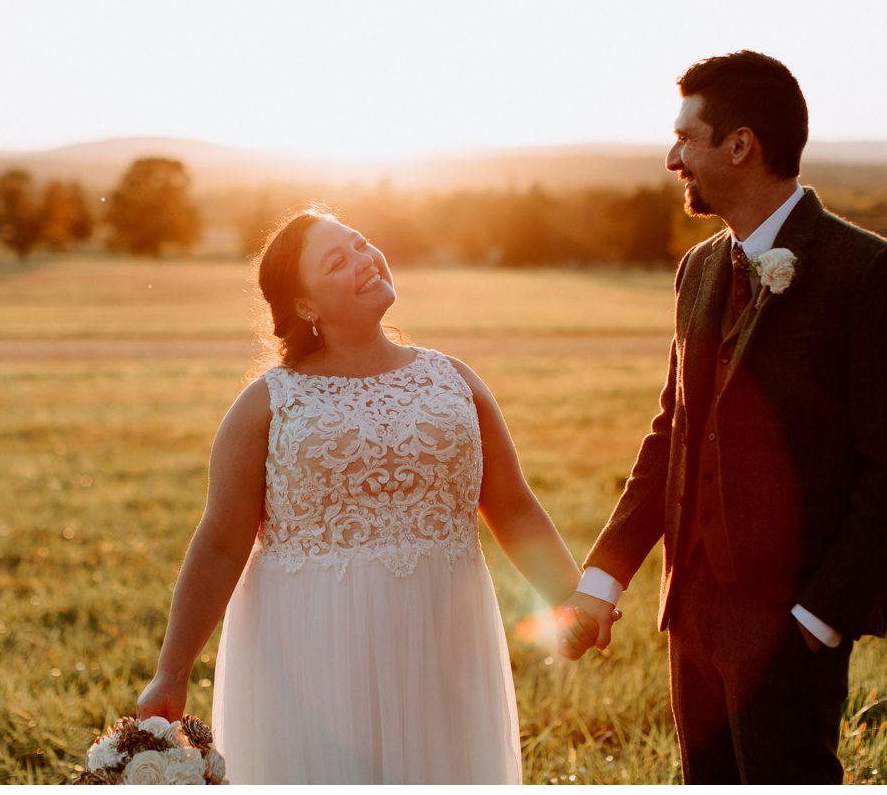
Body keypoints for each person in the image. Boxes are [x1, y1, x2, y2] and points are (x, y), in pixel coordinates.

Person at [560, 51, 887, 784]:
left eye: (686, 138)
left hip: (792, 623)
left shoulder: (870, 273)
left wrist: (817, 619)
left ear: (740, 145)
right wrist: (603, 580)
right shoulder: (698, 270)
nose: (673, 158)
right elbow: (672, 433)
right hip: (689, 612)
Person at [135, 208, 585, 783]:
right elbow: (222, 543)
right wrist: (172, 671)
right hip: (312, 646)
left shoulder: (455, 380)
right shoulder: (269, 405)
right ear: (304, 305)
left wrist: (570, 596)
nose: (364, 260)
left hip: (441, 635)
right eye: (336, 261)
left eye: (361, 244)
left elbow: (513, 505)